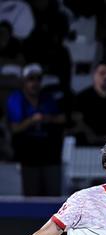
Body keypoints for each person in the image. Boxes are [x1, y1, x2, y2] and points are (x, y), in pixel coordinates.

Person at [6, 63, 65, 196]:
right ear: (24, 81)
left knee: (51, 195)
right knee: (31, 194)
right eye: (30, 79)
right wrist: (31, 121)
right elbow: (15, 128)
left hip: (48, 152)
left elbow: (61, 118)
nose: (35, 83)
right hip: (26, 154)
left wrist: (47, 118)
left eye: (38, 79)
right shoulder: (16, 98)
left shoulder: (46, 97)